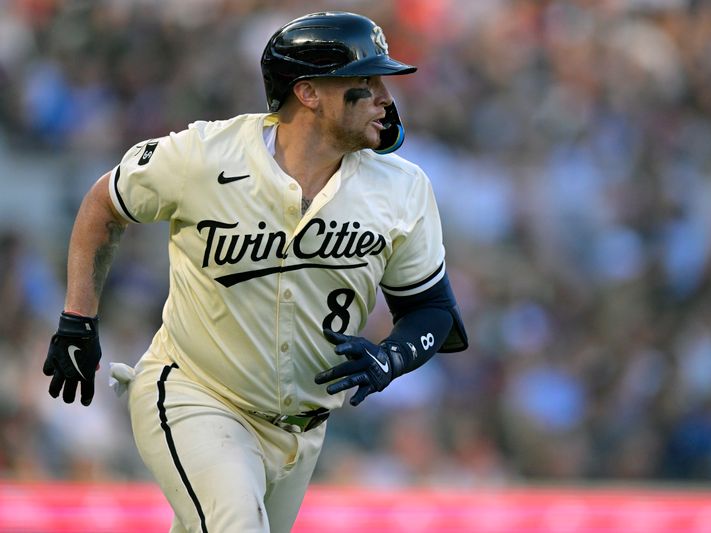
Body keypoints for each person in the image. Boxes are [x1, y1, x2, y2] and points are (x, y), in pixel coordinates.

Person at [42, 11, 468, 533]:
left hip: (302, 433)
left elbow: (433, 310)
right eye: (366, 82)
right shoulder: (203, 155)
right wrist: (77, 319)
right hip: (195, 396)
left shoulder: (402, 187)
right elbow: (104, 205)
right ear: (309, 92)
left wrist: (390, 357)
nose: (385, 97)